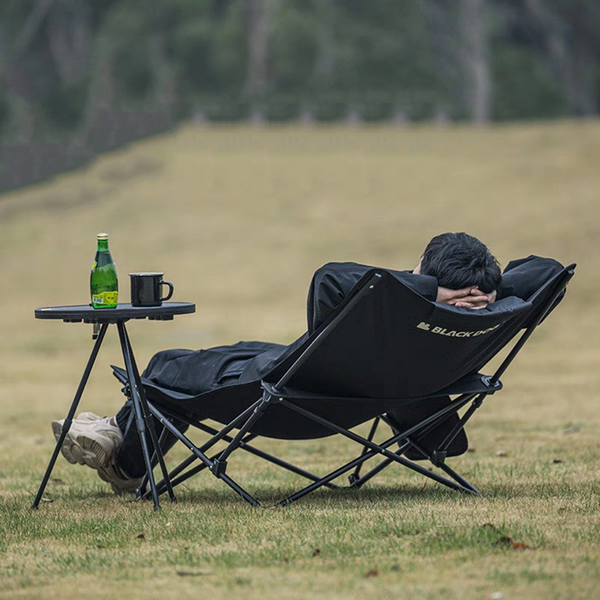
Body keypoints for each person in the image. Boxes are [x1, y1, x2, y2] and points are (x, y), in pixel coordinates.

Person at [51, 232, 563, 495]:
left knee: (167, 365)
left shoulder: (413, 300)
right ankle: (113, 431)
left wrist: (422, 285)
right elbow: (549, 272)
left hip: (290, 397)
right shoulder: (491, 311)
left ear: (423, 278)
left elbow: (330, 277)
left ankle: (124, 461)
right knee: (243, 346)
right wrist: (483, 291)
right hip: (373, 395)